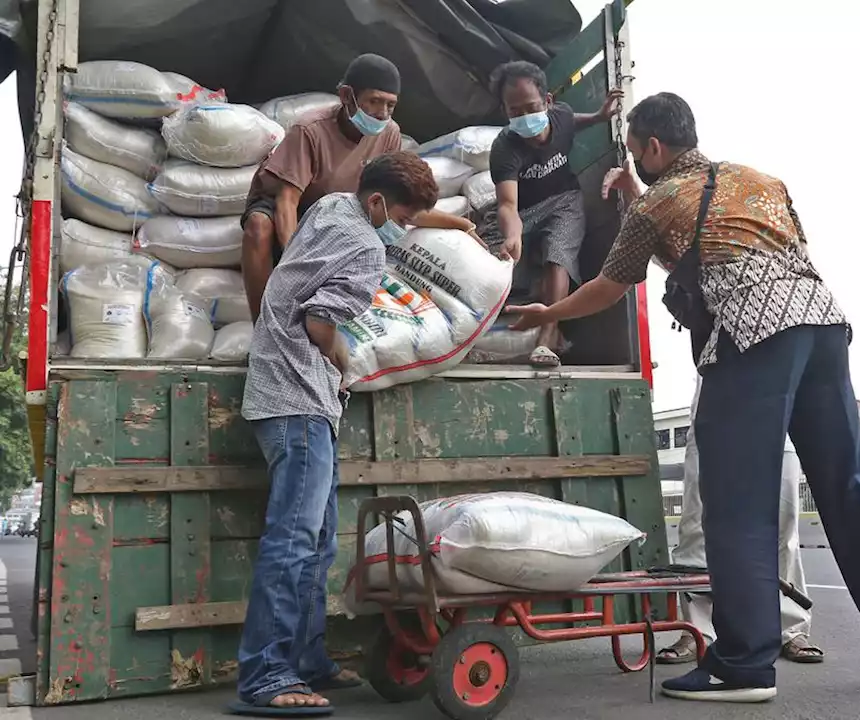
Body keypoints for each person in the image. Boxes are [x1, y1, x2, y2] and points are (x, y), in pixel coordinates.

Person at [505, 92, 860, 703]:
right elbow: (755, 249)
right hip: (822, 325)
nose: (637, 161)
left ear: (653, 148)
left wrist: (547, 312)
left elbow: (610, 284)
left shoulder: (657, 201)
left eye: (636, 151)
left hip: (751, 334)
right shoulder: (762, 179)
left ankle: (743, 663)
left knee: (738, 502)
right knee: (851, 482)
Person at [230, 151, 440, 717]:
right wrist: (345, 359)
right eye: (405, 216)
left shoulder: (329, 208)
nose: (408, 228)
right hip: (298, 398)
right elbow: (321, 323)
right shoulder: (368, 247)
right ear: (376, 203)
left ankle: (307, 657)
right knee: (295, 541)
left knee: (318, 542)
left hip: (288, 395)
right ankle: (265, 674)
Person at [241, 53, 476, 321]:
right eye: (374, 101)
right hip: (292, 206)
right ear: (345, 95)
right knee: (258, 226)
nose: (382, 113)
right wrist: (298, 265)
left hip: (341, 209)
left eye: (391, 105)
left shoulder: (389, 134)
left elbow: (396, 205)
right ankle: (264, 324)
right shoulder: (311, 130)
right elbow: (287, 201)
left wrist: (461, 224)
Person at [657, 377, 823, 666]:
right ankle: (698, 631)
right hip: (715, 406)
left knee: (784, 527)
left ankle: (790, 628)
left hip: (778, 410)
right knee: (697, 526)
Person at [479, 60, 622, 366]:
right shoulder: (505, 147)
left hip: (563, 200)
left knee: (559, 255)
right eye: (514, 111)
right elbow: (507, 205)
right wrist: (513, 235)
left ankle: (547, 337)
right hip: (523, 209)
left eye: (531, 108)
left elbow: (573, 120)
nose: (524, 117)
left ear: (547, 101)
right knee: (486, 256)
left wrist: (599, 117)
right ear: (505, 111)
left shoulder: (562, 117)